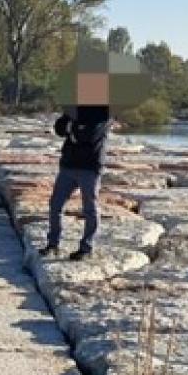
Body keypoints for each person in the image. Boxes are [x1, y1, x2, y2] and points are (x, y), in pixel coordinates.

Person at [45, 104, 111, 260]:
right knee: (55, 205)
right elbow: (59, 128)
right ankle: (52, 245)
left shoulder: (104, 112)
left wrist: (72, 129)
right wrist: (74, 129)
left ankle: (86, 248)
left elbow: (90, 135)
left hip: (90, 166)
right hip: (68, 164)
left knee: (90, 208)